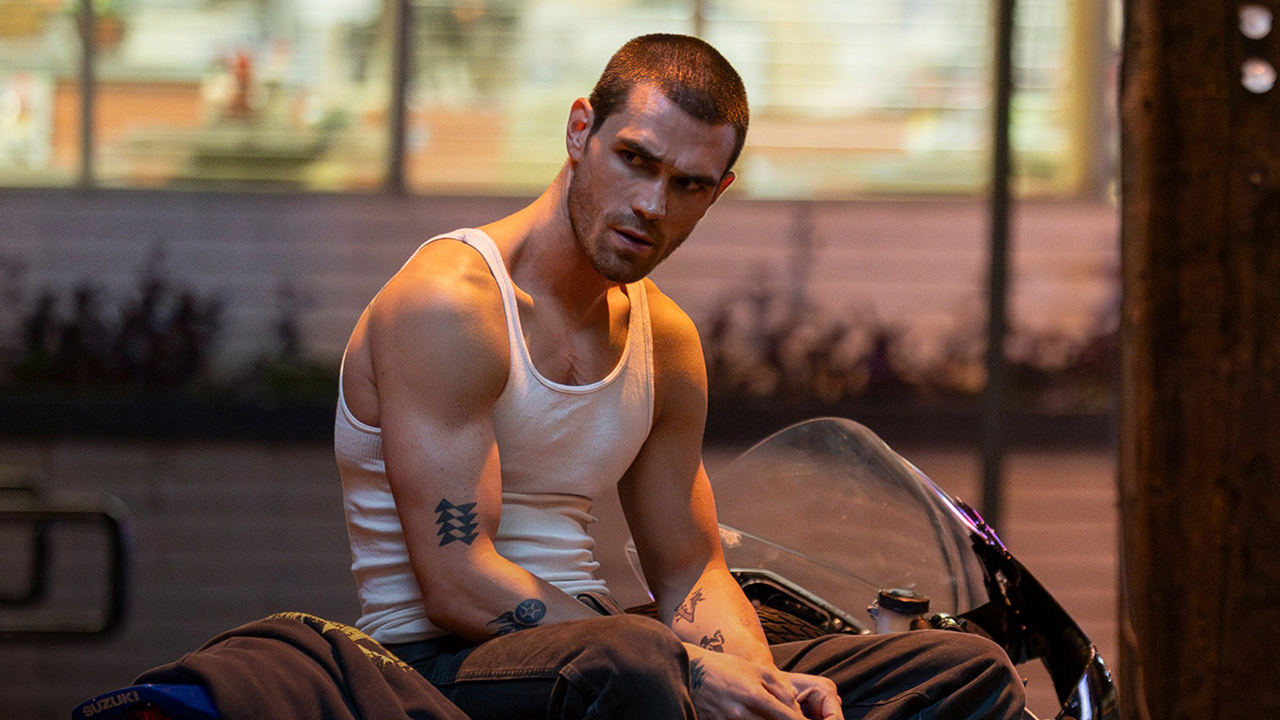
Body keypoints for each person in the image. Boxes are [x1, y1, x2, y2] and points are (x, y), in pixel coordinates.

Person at [335, 33, 1026, 720]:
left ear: (717, 192)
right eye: (635, 159)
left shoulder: (661, 339)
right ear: (581, 131)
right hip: (439, 668)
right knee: (636, 662)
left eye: (688, 185)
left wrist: (763, 690)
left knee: (960, 669)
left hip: (613, 659)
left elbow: (691, 572)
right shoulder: (452, 303)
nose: (652, 206)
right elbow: (456, 581)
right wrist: (686, 668)